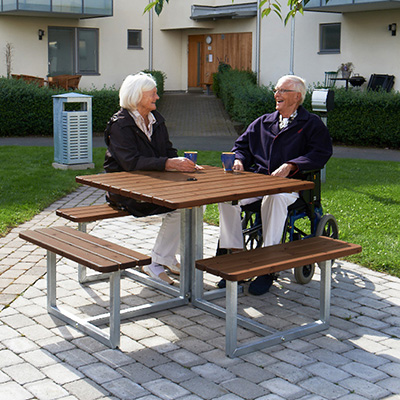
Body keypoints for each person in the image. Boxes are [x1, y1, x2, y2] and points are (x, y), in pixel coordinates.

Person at [218, 75, 333, 295]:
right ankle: (236, 256)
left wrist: (291, 165)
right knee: (225, 197)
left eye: (283, 91)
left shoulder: (311, 124)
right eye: (276, 90)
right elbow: (240, 146)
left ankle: (268, 267)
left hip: (292, 186)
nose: (276, 94)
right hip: (259, 181)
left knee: (274, 198)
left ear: (297, 97)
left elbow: (321, 153)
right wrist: (240, 159)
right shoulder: (263, 122)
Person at [103, 72, 200, 284]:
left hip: (154, 186)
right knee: (178, 208)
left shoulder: (156, 120)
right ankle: (156, 264)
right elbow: (130, 162)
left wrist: (181, 164)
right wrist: (167, 164)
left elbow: (167, 149)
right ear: (137, 96)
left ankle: (167, 258)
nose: (157, 98)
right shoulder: (120, 125)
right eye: (153, 94)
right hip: (126, 191)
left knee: (189, 205)